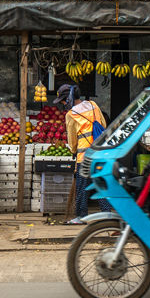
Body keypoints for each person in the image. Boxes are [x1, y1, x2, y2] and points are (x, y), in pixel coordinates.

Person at [54, 84, 110, 225]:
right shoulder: (93, 105)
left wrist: (73, 151)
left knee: (82, 187)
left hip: (84, 157)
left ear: (68, 100)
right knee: (100, 185)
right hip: (100, 153)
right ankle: (107, 214)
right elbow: (103, 124)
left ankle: (81, 216)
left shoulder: (71, 115)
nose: (62, 104)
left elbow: (72, 139)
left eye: (62, 101)